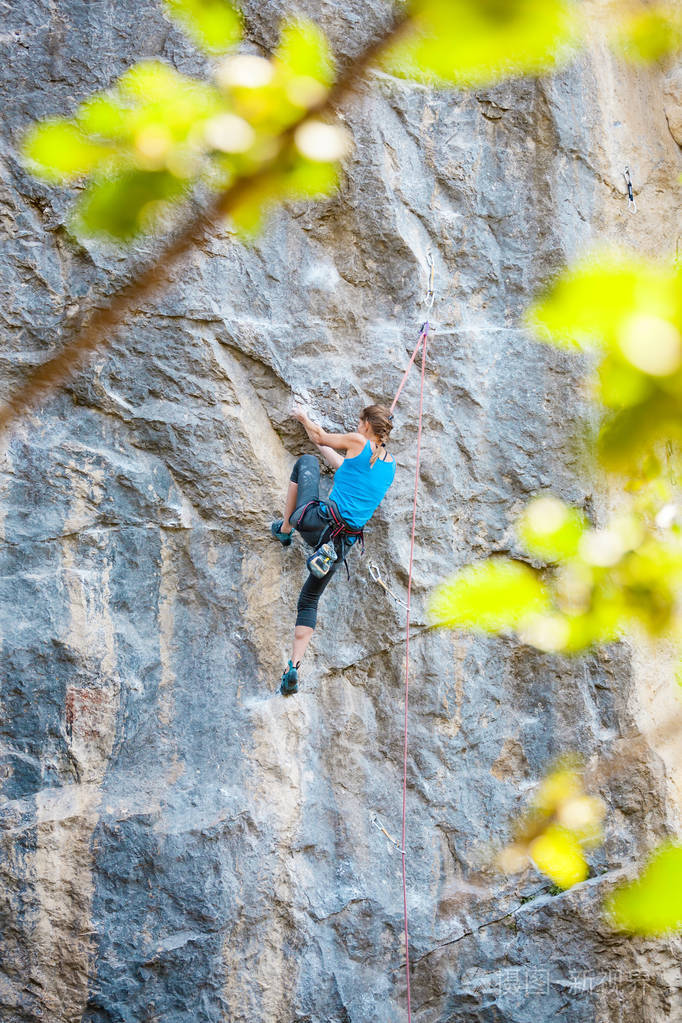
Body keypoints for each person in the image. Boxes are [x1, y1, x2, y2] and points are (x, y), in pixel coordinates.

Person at [271, 404, 396, 695]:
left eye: (359, 421)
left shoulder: (358, 441)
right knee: (309, 600)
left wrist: (302, 416)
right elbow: (347, 468)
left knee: (306, 462)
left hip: (317, 522)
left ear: (366, 425)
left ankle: (286, 529)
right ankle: (293, 668)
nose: (357, 425)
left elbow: (319, 436)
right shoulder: (389, 466)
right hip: (339, 546)